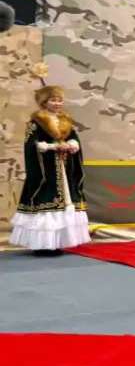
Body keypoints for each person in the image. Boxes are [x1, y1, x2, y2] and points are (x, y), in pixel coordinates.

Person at [10, 85, 90, 254]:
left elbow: (74, 139)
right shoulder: (37, 122)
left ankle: (57, 242)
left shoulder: (65, 121)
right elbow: (31, 145)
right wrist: (49, 147)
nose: (57, 103)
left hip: (64, 168)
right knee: (47, 203)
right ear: (44, 102)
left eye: (59, 100)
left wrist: (72, 145)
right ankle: (43, 245)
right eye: (53, 100)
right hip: (46, 171)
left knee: (64, 204)